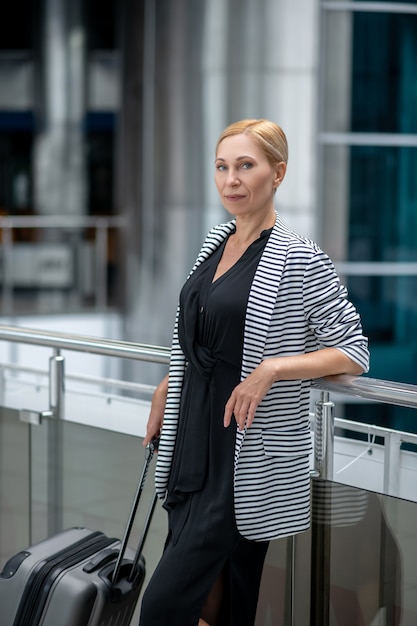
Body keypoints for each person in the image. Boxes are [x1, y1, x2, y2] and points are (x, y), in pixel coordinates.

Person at [139, 119, 369, 626]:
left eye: (246, 166)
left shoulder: (300, 258)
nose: (231, 180)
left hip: (243, 460)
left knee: (161, 608)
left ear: (278, 173)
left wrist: (274, 368)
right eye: (222, 167)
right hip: (190, 447)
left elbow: (353, 351)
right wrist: (167, 386)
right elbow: (199, 341)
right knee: (220, 604)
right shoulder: (215, 244)